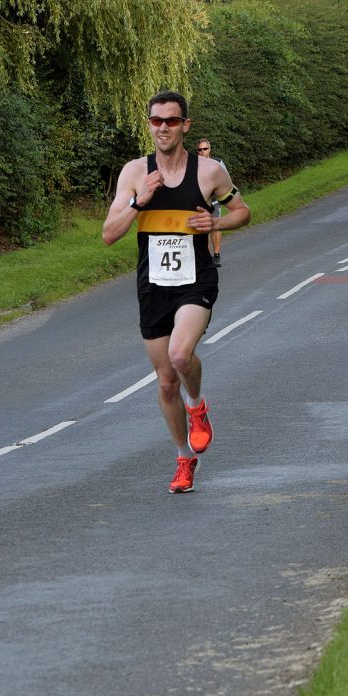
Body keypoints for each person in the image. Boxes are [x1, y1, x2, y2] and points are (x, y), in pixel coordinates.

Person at [102, 90, 250, 493]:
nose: (163, 128)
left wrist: (216, 225)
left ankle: (197, 404)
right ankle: (184, 457)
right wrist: (138, 201)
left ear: (185, 125)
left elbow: (243, 212)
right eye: (156, 121)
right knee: (166, 381)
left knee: (181, 354)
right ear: (149, 125)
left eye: (171, 121)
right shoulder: (134, 173)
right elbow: (109, 235)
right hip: (152, 287)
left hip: (196, 279)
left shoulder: (209, 173)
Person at [197, 139, 224, 267]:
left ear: (209, 149)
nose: (202, 152)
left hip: (214, 200)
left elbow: (225, 180)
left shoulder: (217, 163)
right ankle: (207, 258)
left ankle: (217, 255)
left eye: (205, 149)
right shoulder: (193, 164)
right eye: (200, 150)